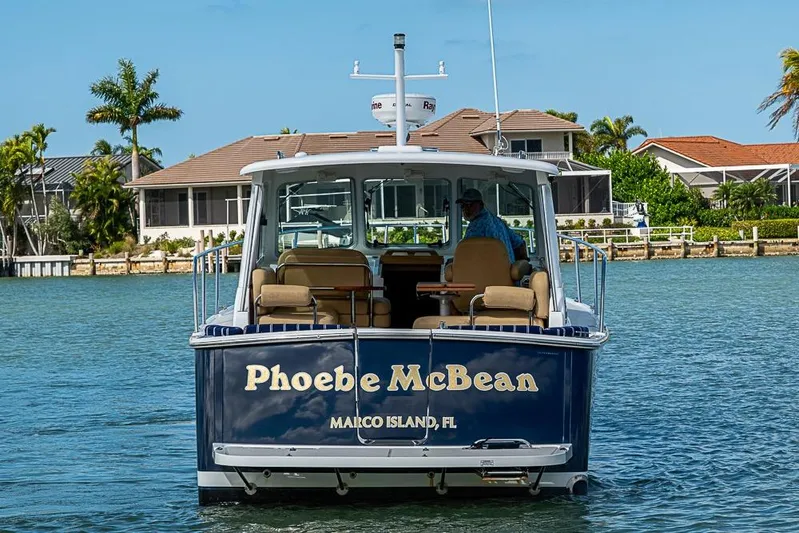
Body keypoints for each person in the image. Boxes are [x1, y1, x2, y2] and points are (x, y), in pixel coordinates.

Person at [457, 188, 528, 262]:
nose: (465, 209)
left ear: (480, 204)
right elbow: (519, 243)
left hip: (484, 271)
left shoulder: (474, 227)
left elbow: (465, 253)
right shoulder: (498, 221)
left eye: (470, 205)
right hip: (506, 271)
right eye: (463, 205)